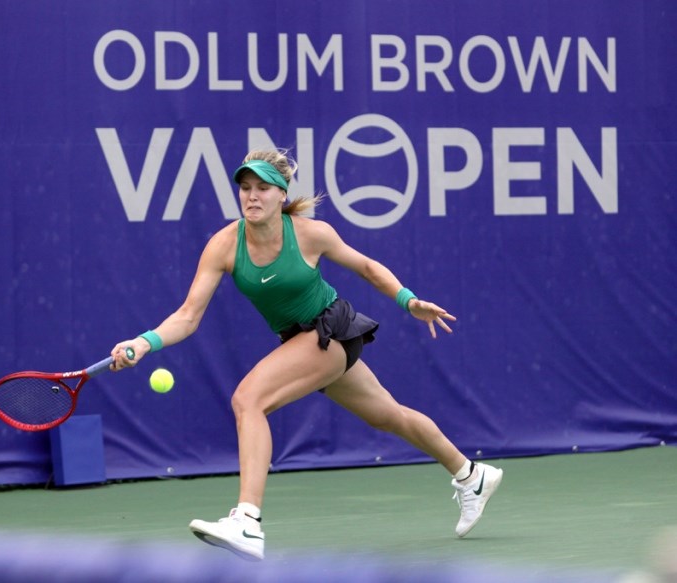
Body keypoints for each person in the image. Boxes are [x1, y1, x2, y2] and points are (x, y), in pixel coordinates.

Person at [110, 149, 503, 561]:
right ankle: (472, 475)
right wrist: (143, 342)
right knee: (389, 416)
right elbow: (188, 316)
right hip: (300, 340)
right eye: (245, 188)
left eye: (263, 187)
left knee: (249, 400)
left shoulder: (309, 234)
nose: (252, 196)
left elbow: (367, 267)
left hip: (330, 331)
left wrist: (409, 302)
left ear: (281, 195)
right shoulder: (224, 245)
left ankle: (247, 521)